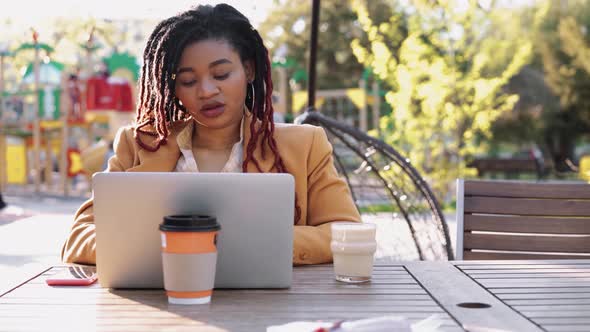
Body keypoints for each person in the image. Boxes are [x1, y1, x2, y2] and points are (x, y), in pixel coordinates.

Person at [61, 3, 360, 266]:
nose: (206, 91)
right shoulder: (139, 145)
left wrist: (252, 245)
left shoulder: (305, 146)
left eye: (221, 75)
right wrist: (170, 247)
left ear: (249, 70)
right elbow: (79, 237)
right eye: (188, 80)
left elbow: (346, 231)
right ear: (173, 90)